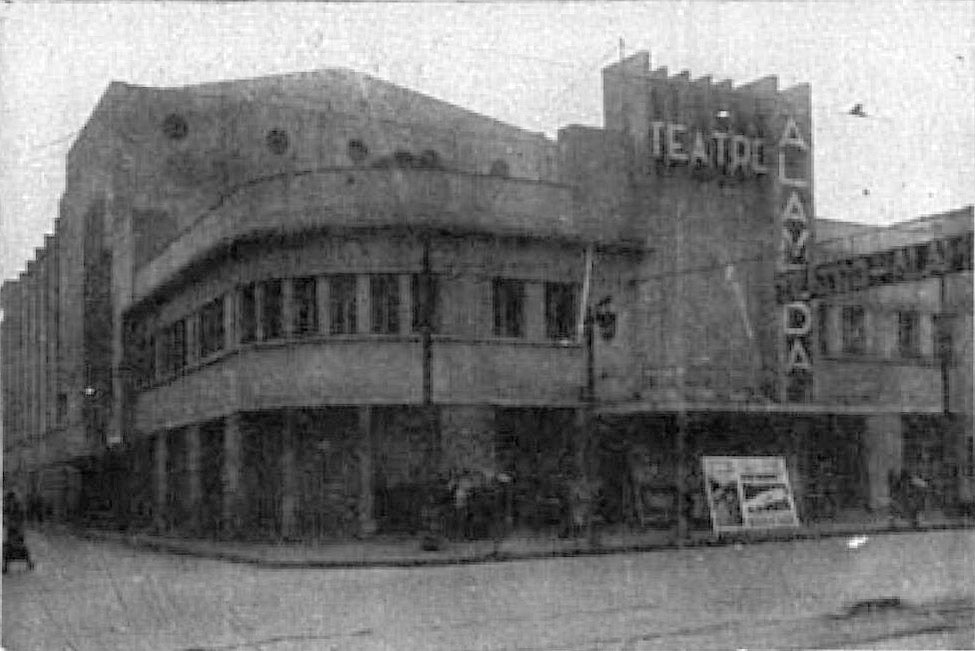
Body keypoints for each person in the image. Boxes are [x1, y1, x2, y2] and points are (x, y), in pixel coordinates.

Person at [4, 491, 35, 573]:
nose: (8, 502)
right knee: (9, 547)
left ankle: (29, 563)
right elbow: (6, 516)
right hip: (11, 529)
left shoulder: (19, 507)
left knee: (20, 547)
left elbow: (22, 519)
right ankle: (6, 566)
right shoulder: (8, 506)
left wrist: (19, 529)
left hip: (18, 529)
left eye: (9, 500)